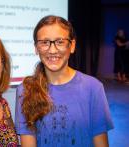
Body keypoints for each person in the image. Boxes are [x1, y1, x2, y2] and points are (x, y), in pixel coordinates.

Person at [15, 15, 114, 147]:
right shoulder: (25, 90)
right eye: (44, 42)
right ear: (36, 48)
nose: (52, 50)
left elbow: (101, 143)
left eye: (60, 41)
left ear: (72, 45)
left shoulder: (93, 88)